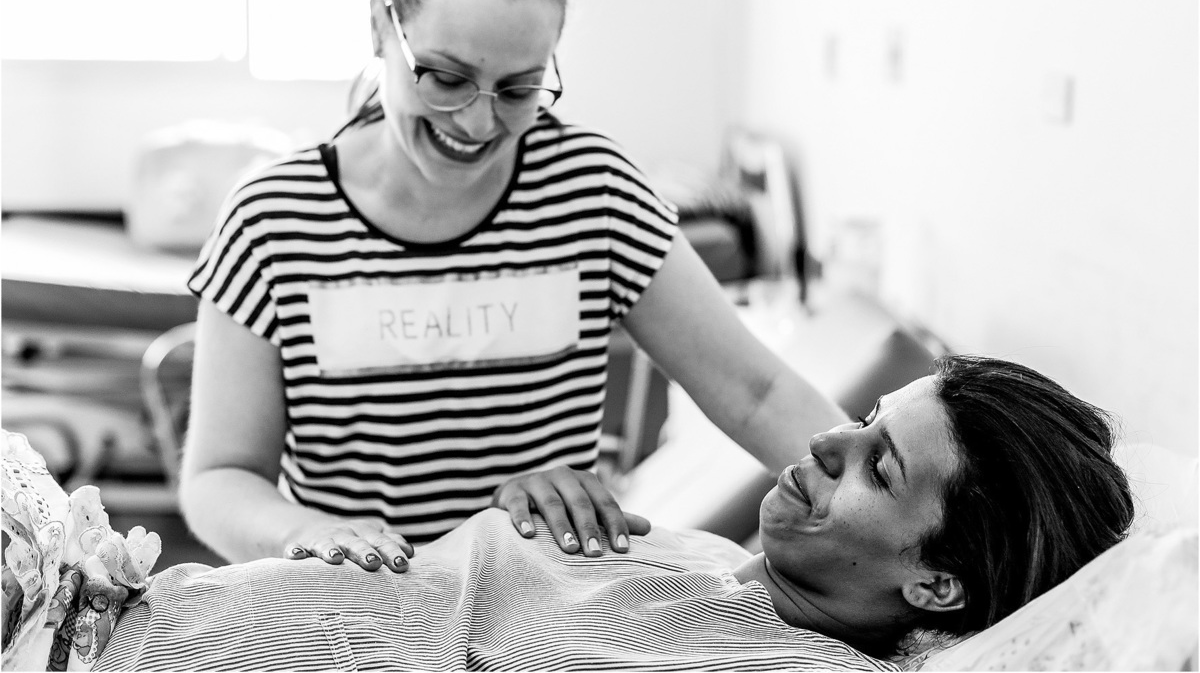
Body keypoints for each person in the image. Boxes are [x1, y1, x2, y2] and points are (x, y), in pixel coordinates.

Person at [181, 0, 844, 571]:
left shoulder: (593, 194)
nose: (477, 123)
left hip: (542, 607)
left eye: (519, 89)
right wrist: (312, 532)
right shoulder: (272, 219)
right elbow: (219, 478)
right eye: (445, 78)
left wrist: (887, 510)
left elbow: (757, 395)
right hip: (356, 609)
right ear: (380, 28)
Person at [90, 355, 1133, 670]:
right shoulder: (697, 551)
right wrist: (513, 518)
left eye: (878, 463)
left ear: (937, 583)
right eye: (863, 418)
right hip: (122, 606)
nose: (826, 440)